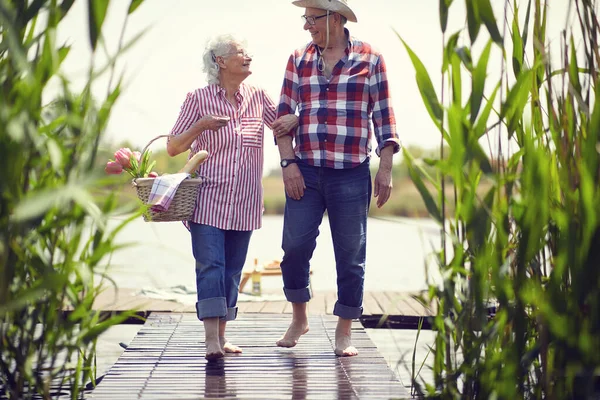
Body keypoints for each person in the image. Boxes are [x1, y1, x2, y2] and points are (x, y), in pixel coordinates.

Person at [271, 0, 401, 357]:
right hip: (306, 171)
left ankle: (345, 330)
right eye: (306, 19)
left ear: (336, 18)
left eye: (312, 19)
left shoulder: (371, 58)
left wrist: (386, 167)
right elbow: (283, 118)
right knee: (294, 248)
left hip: (352, 173)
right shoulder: (298, 59)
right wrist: (288, 165)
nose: (306, 27)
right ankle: (300, 318)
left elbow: (385, 118)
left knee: (351, 255)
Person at [167, 34, 298, 360]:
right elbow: (173, 146)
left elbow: (280, 126)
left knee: (232, 271)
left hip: (245, 202)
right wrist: (201, 126)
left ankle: (222, 336)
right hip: (207, 199)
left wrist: (298, 117)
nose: (248, 56)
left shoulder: (258, 97)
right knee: (210, 265)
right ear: (221, 61)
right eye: (240, 52)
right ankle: (211, 338)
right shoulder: (198, 99)